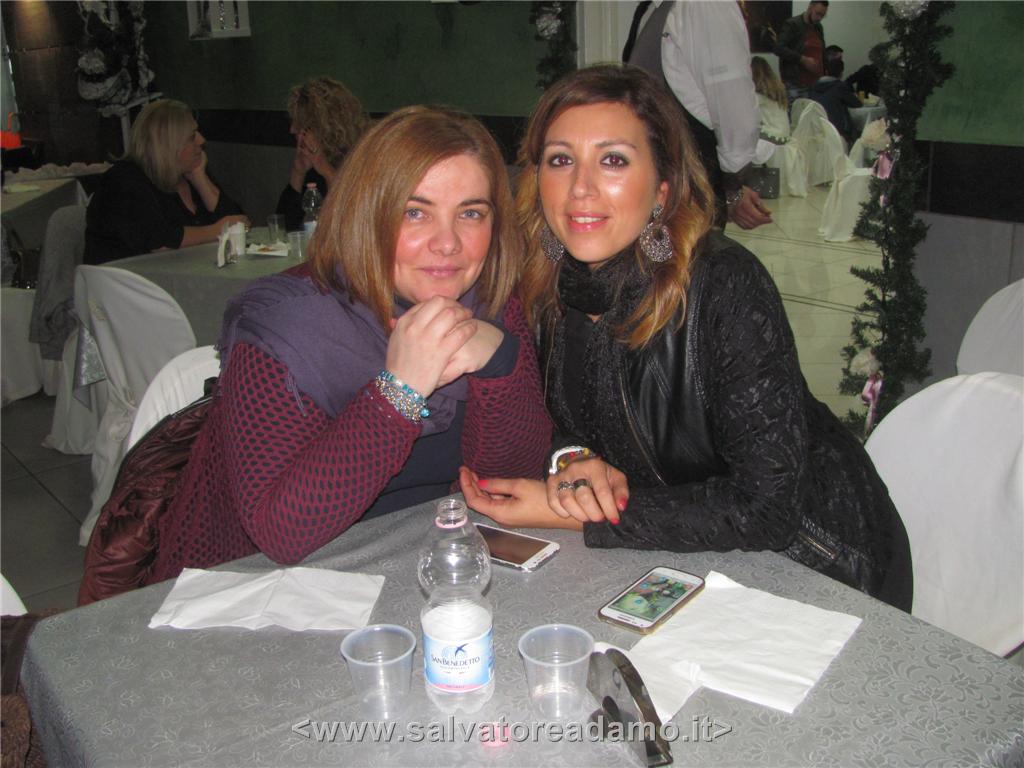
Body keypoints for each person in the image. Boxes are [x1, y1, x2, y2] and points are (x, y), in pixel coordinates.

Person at [460, 65, 913, 610]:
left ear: (662, 188)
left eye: (613, 160)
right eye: (561, 160)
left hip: (814, 562)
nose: (580, 187)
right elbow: (566, 424)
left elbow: (768, 507)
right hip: (675, 561)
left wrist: (582, 516)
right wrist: (573, 461)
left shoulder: (724, 284)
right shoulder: (545, 286)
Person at [150, 106, 551, 582]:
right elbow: (281, 533)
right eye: (415, 212)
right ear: (366, 215)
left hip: (425, 559)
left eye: (470, 213)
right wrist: (399, 391)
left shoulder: (490, 307)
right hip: (269, 584)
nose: (448, 243)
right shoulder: (285, 329)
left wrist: (499, 361)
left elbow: (506, 485)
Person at [625, 0, 771, 230]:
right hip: (651, 184)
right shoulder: (652, 10)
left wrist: (732, 187)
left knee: (690, 252)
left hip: (688, 188)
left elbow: (733, 103)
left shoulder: (704, 4)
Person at [84, 99, 248, 264]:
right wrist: (217, 230)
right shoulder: (124, 180)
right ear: (168, 145)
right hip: (126, 276)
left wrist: (200, 179)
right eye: (192, 136)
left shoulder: (186, 174)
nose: (201, 140)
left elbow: (238, 222)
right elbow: (160, 241)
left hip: (181, 271)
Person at [276, 76, 369, 231]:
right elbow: (285, 228)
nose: (292, 129)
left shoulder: (361, 158)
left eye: (301, 124)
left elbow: (348, 220)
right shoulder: (312, 165)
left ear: (323, 128)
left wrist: (325, 170)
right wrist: (298, 172)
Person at [773, 1, 829, 105]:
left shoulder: (818, 27)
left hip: (815, 83)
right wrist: (802, 59)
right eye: (818, 13)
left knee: (813, 113)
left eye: (823, 15)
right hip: (796, 83)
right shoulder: (793, 24)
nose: (819, 18)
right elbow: (778, 48)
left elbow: (822, 51)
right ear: (810, 7)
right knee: (797, 112)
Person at [809, 57, 862, 142]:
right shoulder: (839, 86)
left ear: (826, 71)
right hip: (837, 129)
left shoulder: (813, 86)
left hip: (818, 126)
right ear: (841, 73)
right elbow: (857, 104)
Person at [751, 56, 790, 144]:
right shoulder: (776, 89)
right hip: (784, 135)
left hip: (773, 136)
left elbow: (745, 108)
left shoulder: (760, 95)